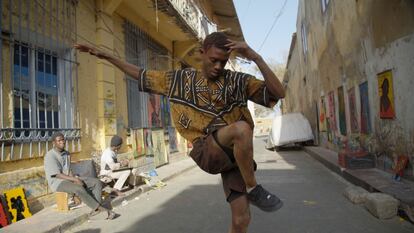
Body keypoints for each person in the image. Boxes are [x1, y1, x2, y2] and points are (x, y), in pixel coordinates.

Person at [75, 31, 285, 233]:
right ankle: (253, 188)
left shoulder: (238, 81)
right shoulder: (179, 81)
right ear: (202, 52)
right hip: (207, 149)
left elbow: (278, 93)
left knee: (242, 220)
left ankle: (249, 190)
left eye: (223, 61)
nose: (218, 66)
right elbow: (141, 74)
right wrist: (106, 56)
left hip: (235, 159)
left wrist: (256, 57)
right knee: (241, 129)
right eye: (213, 60)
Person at [44, 132, 118, 220]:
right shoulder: (50, 156)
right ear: (54, 143)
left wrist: (75, 178)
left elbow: (68, 170)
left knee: (96, 182)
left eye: (63, 139)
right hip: (57, 182)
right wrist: (75, 182)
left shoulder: (66, 153)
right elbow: (57, 175)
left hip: (68, 178)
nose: (62, 142)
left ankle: (96, 207)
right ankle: (101, 209)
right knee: (79, 188)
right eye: (59, 140)